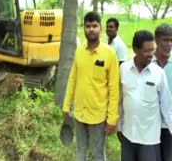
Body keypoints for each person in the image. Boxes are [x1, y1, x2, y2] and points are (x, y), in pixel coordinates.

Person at [63, 11, 119, 161]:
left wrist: (112, 119)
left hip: (98, 116)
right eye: (88, 26)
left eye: (95, 26)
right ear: (84, 29)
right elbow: (72, 79)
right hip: (80, 113)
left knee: (98, 154)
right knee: (80, 151)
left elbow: (114, 89)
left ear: (100, 28)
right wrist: (66, 105)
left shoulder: (109, 54)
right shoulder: (79, 51)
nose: (91, 29)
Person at [117, 30, 172, 161]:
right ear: (136, 49)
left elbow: (166, 106)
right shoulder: (124, 69)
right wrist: (119, 126)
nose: (151, 55)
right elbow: (120, 100)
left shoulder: (158, 73)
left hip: (149, 139)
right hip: (128, 135)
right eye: (146, 51)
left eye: (152, 50)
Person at [152, 24, 172, 161]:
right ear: (156, 40)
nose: (169, 44)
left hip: (169, 125)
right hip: (150, 124)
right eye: (165, 40)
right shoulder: (147, 64)